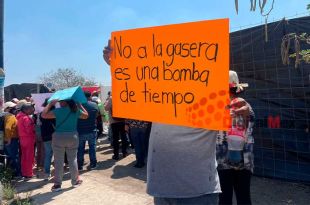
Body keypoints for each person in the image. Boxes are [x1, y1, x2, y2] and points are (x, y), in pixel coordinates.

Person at [103, 43, 222, 204]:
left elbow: (233, 120)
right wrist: (116, 63)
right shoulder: (159, 99)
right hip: (161, 190)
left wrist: (240, 111)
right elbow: (134, 83)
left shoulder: (211, 100)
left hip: (198, 192)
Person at [216, 70, 255, 205]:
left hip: (223, 159)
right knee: (243, 197)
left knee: (224, 198)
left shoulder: (218, 107)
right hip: (243, 159)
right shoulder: (246, 105)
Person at [42, 99, 88, 192]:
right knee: (73, 159)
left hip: (58, 137)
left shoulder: (58, 111)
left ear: (66, 102)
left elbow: (44, 115)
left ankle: (57, 185)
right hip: (72, 136)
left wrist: (50, 104)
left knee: (58, 161)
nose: (59, 103)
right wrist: (79, 105)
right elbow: (86, 116)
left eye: (61, 101)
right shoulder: (76, 111)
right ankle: (75, 181)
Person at [77, 91, 99, 170]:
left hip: (80, 131)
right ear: (90, 96)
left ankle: (79, 165)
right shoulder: (95, 105)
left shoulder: (78, 106)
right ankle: (93, 164)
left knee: (80, 149)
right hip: (92, 129)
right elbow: (96, 116)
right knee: (92, 148)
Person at [104, 94, 128, 160]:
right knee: (124, 137)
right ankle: (124, 152)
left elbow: (106, 108)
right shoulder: (124, 95)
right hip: (123, 120)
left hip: (114, 121)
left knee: (115, 139)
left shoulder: (111, 98)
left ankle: (116, 155)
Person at [16, 103, 36, 179]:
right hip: (28, 138)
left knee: (24, 157)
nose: (32, 110)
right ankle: (29, 174)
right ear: (26, 110)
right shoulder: (26, 118)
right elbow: (29, 130)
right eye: (31, 109)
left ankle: (24, 172)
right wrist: (34, 129)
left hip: (22, 139)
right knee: (29, 157)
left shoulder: (19, 116)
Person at [3, 101, 21, 177]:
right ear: (7, 109)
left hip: (7, 139)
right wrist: (9, 139)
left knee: (9, 157)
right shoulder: (11, 117)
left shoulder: (5, 116)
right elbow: (7, 128)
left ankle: (11, 173)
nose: (14, 109)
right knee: (14, 156)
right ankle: (17, 173)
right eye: (12, 108)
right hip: (11, 140)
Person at [40, 99, 56, 180]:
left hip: (45, 136)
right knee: (57, 154)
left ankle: (47, 173)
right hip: (55, 136)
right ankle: (57, 173)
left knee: (48, 155)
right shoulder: (55, 113)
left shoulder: (41, 114)